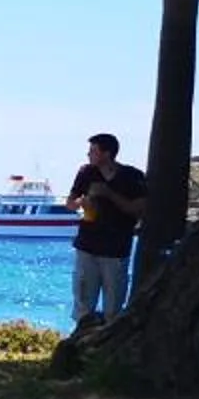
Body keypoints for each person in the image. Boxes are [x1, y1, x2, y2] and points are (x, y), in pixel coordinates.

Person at [65, 133, 149, 326]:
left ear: (107, 153)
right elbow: (70, 203)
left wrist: (109, 194)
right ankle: (80, 341)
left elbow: (138, 208)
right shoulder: (86, 173)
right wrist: (81, 203)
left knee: (113, 305)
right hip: (87, 246)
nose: (89, 154)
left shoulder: (132, 176)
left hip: (116, 249)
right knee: (83, 302)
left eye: (93, 151)